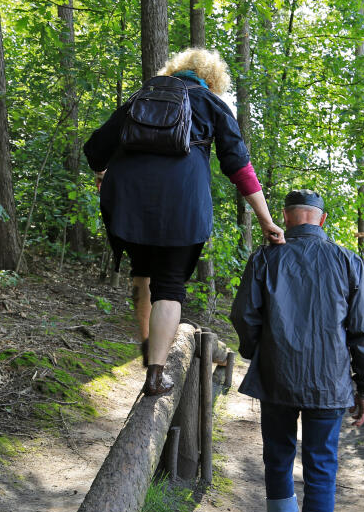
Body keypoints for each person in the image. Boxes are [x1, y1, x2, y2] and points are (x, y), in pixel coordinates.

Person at [84, 48, 284, 396]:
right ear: (213, 79)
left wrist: (103, 174)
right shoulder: (212, 103)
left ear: (174, 71)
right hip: (182, 208)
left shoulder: (141, 97)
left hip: (129, 206)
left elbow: (95, 150)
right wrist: (266, 220)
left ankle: (148, 346)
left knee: (143, 270)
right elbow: (239, 167)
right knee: (171, 287)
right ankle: (156, 374)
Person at [230, 189, 364, 512]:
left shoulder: (265, 257)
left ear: (286, 217)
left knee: (277, 452)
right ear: (322, 221)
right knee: (322, 465)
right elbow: (363, 330)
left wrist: (259, 350)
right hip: (329, 382)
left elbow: (243, 315)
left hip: (277, 375)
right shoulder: (349, 261)